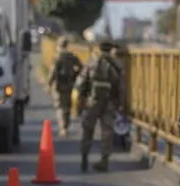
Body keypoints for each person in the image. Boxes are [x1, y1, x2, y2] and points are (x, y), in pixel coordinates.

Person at [75, 37, 124, 172]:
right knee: (107, 131)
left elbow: (82, 83)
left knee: (88, 129)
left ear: (99, 48)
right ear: (111, 49)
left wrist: (81, 100)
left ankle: (84, 157)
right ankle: (104, 160)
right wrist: (120, 104)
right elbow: (121, 87)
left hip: (93, 101)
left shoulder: (92, 62)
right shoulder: (117, 64)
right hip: (110, 103)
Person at [47, 36, 82, 137]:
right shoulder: (71, 56)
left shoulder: (57, 56)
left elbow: (52, 72)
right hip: (69, 84)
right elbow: (81, 67)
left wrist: (49, 84)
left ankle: (62, 128)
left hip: (58, 85)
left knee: (59, 107)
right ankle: (66, 125)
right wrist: (75, 74)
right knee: (67, 106)